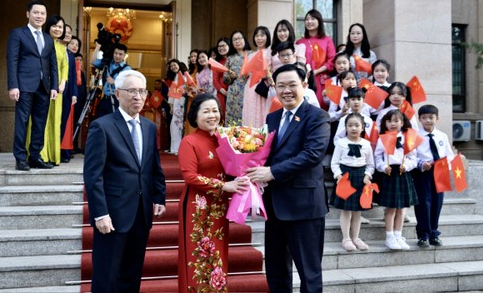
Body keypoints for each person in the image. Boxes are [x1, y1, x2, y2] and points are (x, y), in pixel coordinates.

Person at [246, 63, 330, 292]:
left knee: (309, 273)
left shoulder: (317, 116)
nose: (286, 91)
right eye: (280, 85)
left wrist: (271, 172)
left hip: (305, 207)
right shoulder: (272, 118)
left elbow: (312, 155)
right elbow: (264, 153)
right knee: (276, 270)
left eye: (292, 85)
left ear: (304, 85)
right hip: (275, 206)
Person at [83, 69, 166, 292]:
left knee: (132, 274)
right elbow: (93, 175)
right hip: (112, 215)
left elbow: (152, 166)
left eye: (142, 91)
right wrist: (100, 213)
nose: (138, 96)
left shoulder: (149, 127)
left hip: (140, 213)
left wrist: (159, 195)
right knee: (106, 275)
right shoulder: (102, 126)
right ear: (118, 94)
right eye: (131, 91)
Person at [177, 93, 249, 292]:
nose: (212, 115)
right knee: (197, 258)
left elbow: (234, 168)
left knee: (217, 257)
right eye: (206, 111)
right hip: (197, 208)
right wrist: (223, 186)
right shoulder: (189, 142)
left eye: (215, 110)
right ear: (195, 116)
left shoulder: (225, 141)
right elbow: (190, 177)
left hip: (219, 207)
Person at [6, 0, 58, 171]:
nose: (39, 16)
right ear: (28, 14)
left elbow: (53, 64)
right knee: (22, 122)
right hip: (24, 86)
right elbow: (12, 60)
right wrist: (13, 85)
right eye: (36, 12)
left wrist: (54, 87)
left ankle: (35, 156)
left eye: (43, 13)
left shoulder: (48, 38)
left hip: (44, 87)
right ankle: (20, 158)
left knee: (40, 123)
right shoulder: (18, 33)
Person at [330, 113, 375, 252]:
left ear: (362, 127)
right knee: (346, 210)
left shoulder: (366, 144)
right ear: (345, 128)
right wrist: (338, 176)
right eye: (350, 125)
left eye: (357, 125)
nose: (353, 128)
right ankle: (346, 238)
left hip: (360, 178)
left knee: (358, 211)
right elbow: (335, 162)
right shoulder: (341, 143)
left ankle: (356, 237)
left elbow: (370, 165)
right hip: (345, 178)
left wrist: (367, 175)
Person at [374, 109, 418, 250]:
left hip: (403, 173)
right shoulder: (382, 139)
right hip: (389, 174)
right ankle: (389, 236)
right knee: (391, 209)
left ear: (402, 122)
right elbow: (377, 157)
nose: (392, 123)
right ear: (385, 123)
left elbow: (413, 157)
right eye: (389, 121)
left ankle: (398, 235)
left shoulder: (407, 138)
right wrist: (382, 167)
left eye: (396, 121)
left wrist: (407, 166)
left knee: (401, 209)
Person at [414, 104, 455, 248]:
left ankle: (434, 233)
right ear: (419, 119)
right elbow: (411, 156)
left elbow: (449, 155)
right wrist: (421, 164)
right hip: (423, 173)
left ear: (437, 118)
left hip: (440, 172)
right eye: (424, 118)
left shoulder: (442, 136)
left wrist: (444, 164)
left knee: (437, 203)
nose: (428, 120)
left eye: (431, 117)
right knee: (423, 203)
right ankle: (423, 235)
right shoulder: (416, 136)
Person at [31, 14, 68, 167]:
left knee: (55, 121)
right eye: (55, 26)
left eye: (60, 26)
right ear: (49, 26)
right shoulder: (42, 42)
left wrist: (63, 82)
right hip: (42, 88)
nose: (58, 29)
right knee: (41, 122)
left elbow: (64, 66)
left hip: (57, 90)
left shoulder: (62, 46)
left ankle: (53, 155)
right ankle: (40, 155)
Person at [296, 9, 336, 108]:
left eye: (312, 18)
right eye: (307, 19)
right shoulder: (300, 42)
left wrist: (316, 71)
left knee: (322, 108)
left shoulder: (327, 40)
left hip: (322, 81)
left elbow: (331, 61)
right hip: (305, 79)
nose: (309, 21)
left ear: (319, 21)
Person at [90, 41, 131, 118]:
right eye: (115, 53)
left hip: (117, 100)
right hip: (105, 98)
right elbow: (92, 62)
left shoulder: (127, 69)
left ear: (124, 55)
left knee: (113, 123)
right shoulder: (108, 63)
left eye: (120, 54)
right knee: (100, 120)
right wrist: (97, 47)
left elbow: (128, 85)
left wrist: (114, 82)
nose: (117, 56)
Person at [243, 26, 271, 127]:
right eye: (257, 35)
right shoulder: (250, 55)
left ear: (267, 37)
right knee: (250, 113)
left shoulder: (271, 53)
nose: (259, 38)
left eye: (262, 35)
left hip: (263, 87)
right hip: (250, 88)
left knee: (263, 112)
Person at [59, 24, 78, 163]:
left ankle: (59, 152)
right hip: (55, 92)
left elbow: (72, 75)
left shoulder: (71, 55)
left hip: (67, 94)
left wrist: (74, 94)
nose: (67, 34)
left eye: (70, 32)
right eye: (65, 32)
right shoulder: (54, 48)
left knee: (63, 124)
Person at [223, 30, 250, 125]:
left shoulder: (251, 55)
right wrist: (231, 77)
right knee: (233, 122)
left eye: (239, 38)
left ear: (244, 40)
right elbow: (225, 80)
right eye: (234, 39)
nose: (237, 41)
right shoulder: (230, 58)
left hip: (249, 92)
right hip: (234, 94)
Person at [164, 59, 188, 155]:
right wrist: (171, 106)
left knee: (180, 125)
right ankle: (174, 148)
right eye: (171, 66)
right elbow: (172, 94)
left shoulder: (185, 75)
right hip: (176, 102)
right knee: (174, 125)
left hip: (183, 101)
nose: (173, 67)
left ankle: (180, 148)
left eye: (175, 65)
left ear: (179, 64)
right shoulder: (175, 77)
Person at [212, 37, 230, 115]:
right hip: (222, 93)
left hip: (234, 92)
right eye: (219, 46)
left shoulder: (234, 59)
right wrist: (225, 92)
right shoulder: (217, 62)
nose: (221, 48)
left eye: (223, 46)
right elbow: (215, 81)